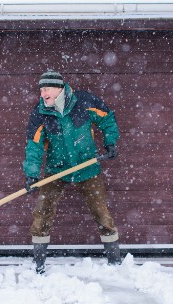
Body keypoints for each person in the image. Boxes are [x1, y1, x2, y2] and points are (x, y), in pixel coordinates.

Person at [23, 70, 121, 273]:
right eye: (41, 89)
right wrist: (32, 174)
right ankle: (39, 264)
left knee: (101, 212)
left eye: (47, 88)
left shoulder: (83, 102)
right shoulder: (39, 113)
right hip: (56, 169)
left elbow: (107, 119)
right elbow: (34, 145)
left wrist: (110, 142)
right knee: (43, 211)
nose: (43, 94)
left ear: (59, 88)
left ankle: (115, 261)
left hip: (87, 166)